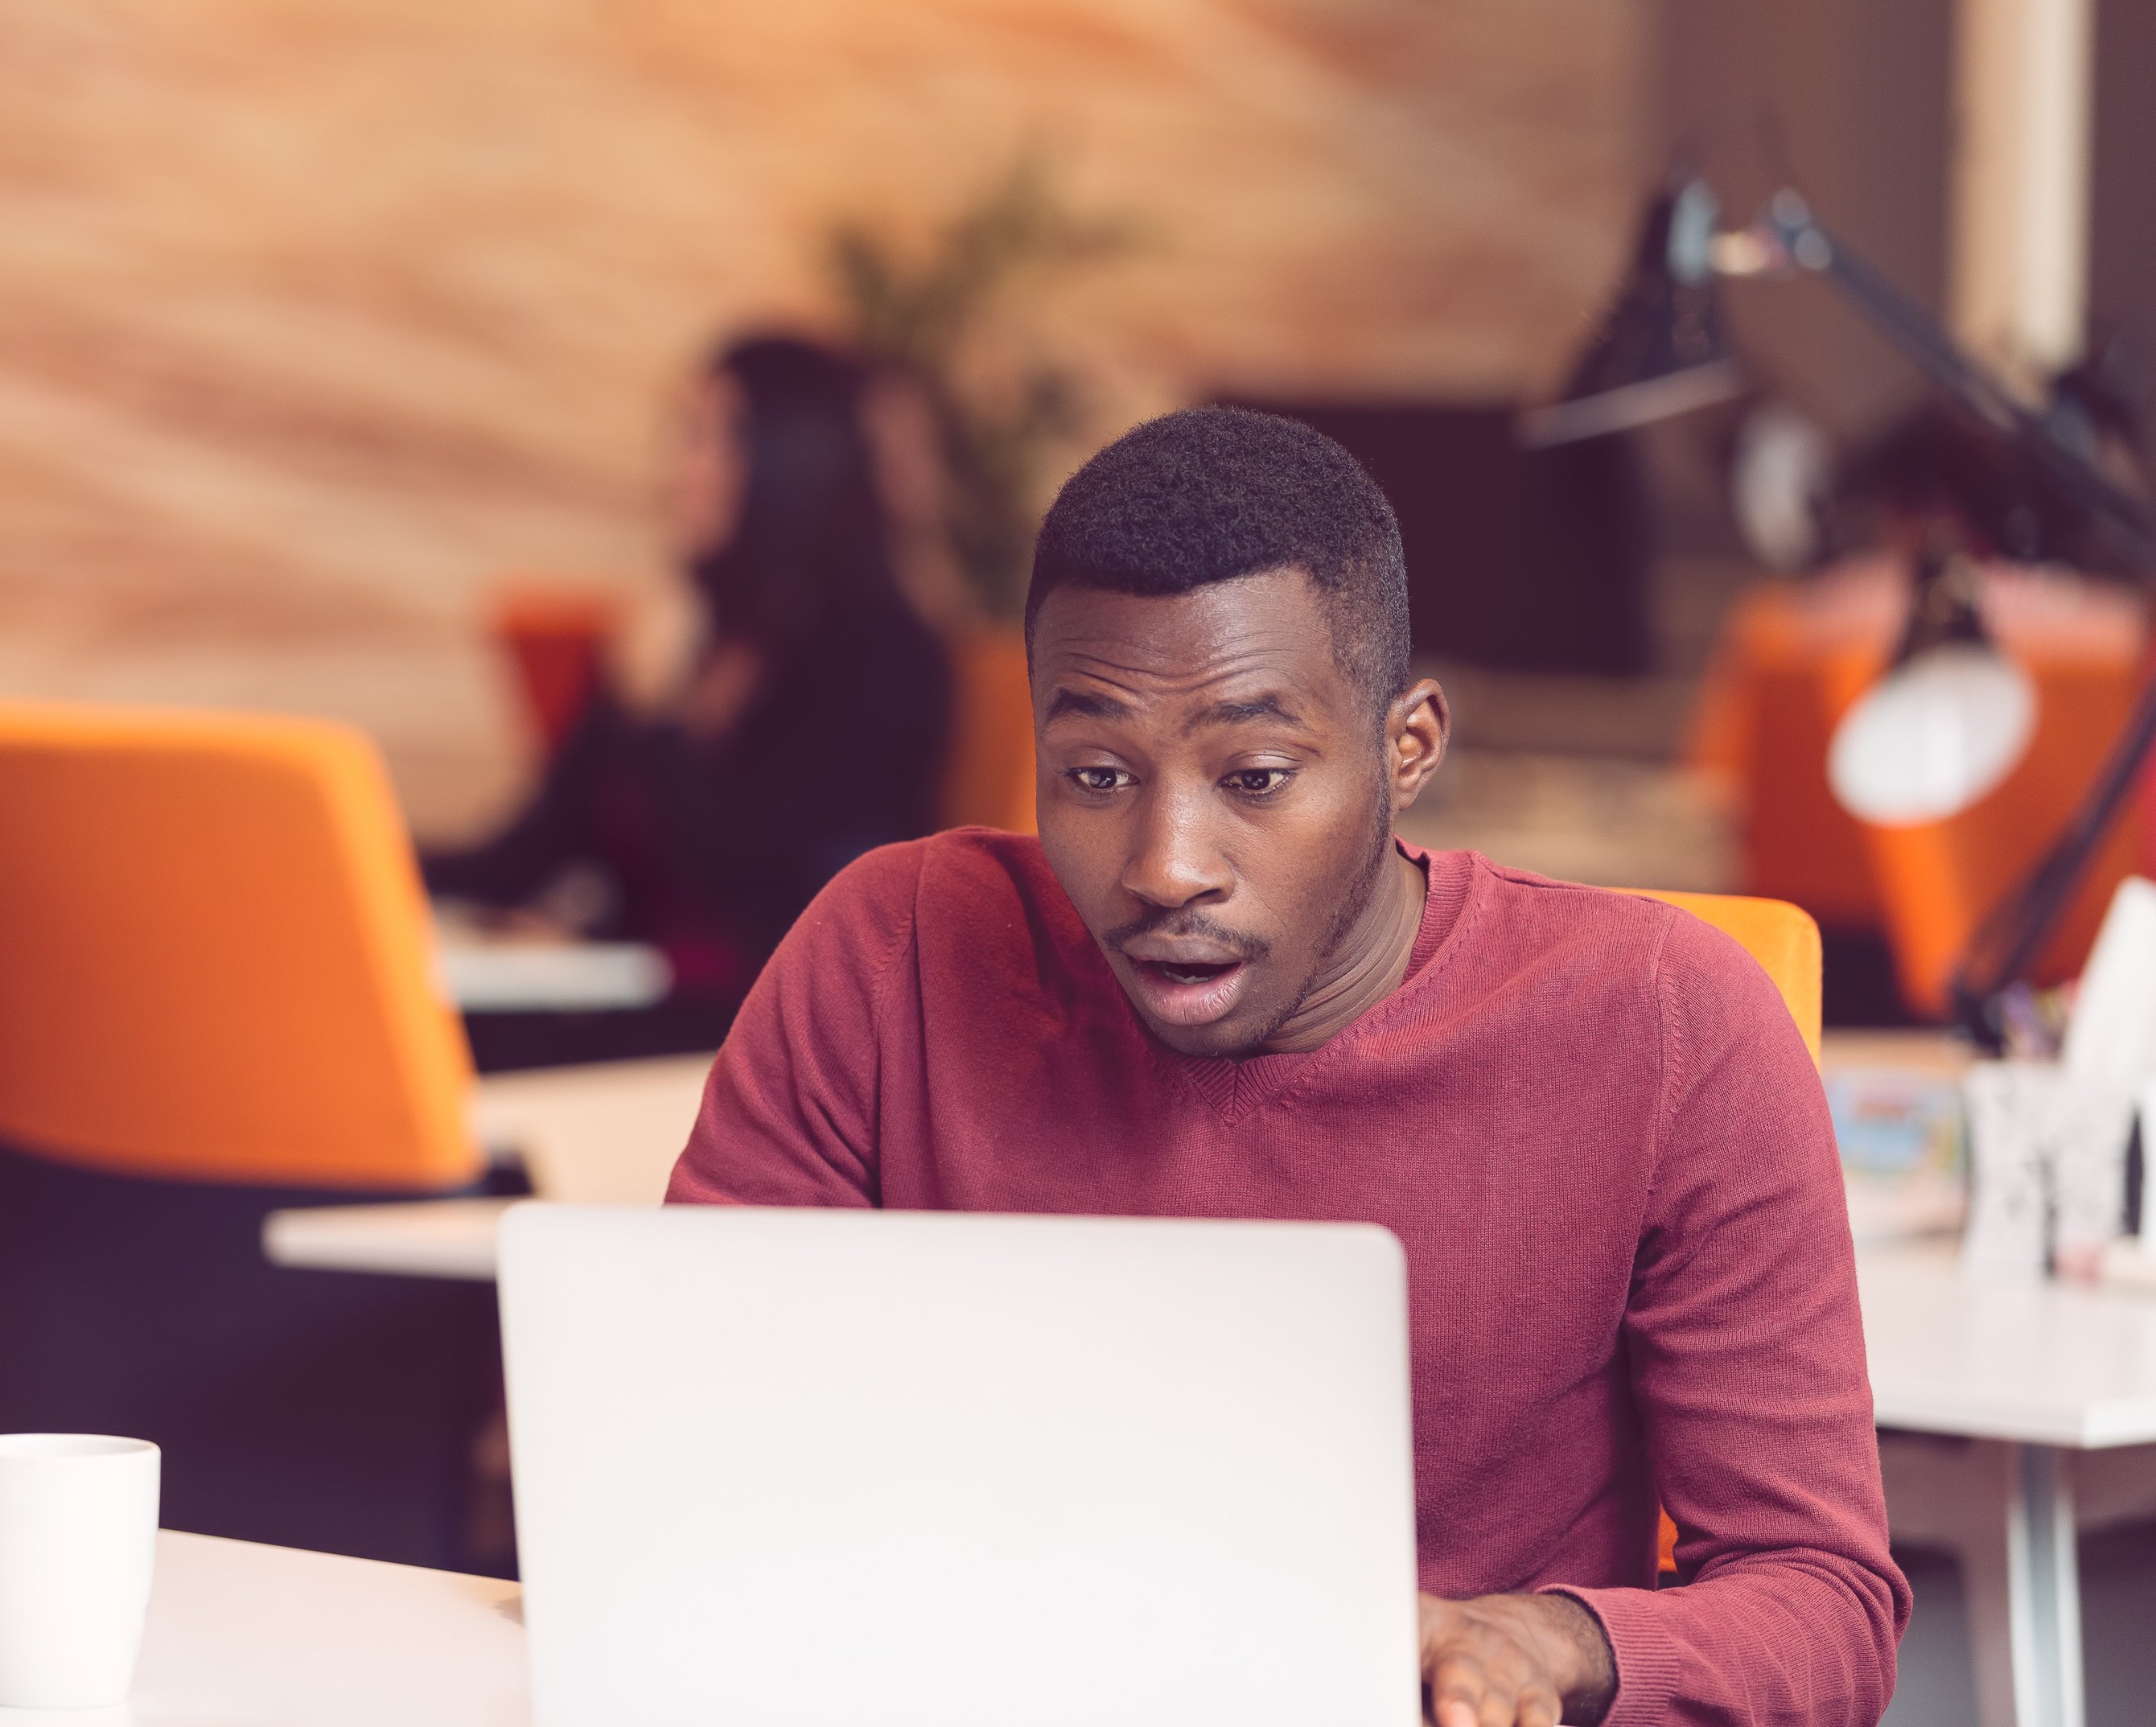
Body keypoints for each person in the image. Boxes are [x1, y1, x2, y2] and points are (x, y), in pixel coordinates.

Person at [669, 407, 1909, 1726]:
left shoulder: (1668, 1023)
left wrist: (1551, 1644)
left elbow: (1825, 1601)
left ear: (1406, 747)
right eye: (1093, 774)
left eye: (1254, 777)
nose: (1165, 864)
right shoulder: (893, 949)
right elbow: (680, 1449)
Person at [426, 335, 953, 1026]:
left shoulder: (885, 656)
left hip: (766, 1032)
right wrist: (359, 857)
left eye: (712, 441)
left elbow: (759, 894)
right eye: (682, 439)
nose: (679, 472)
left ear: (792, 464)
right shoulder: (692, 639)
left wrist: (662, 722)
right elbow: (531, 851)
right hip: (634, 994)